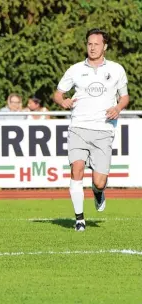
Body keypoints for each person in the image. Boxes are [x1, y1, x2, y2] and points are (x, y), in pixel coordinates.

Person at [53, 28, 129, 232]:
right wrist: (64, 102)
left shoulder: (116, 69)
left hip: (103, 130)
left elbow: (124, 97)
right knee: (76, 170)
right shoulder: (75, 69)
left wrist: (118, 108)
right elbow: (58, 94)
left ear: (105, 46)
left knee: (99, 181)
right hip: (78, 127)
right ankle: (79, 219)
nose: (92, 47)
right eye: (89, 43)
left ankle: (98, 192)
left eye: (96, 44)